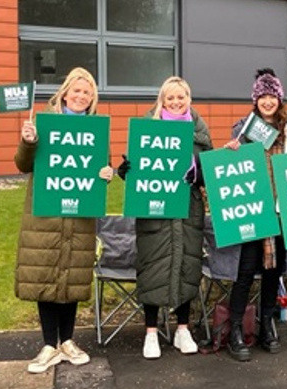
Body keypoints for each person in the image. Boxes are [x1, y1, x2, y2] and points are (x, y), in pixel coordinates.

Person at [14, 67, 115, 374]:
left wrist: (106, 173)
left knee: (71, 277)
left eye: (87, 92)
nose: (81, 96)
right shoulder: (44, 123)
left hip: (79, 219)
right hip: (46, 218)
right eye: (77, 90)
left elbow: (103, 167)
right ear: (65, 93)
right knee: (45, 276)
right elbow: (23, 164)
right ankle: (49, 345)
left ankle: (68, 341)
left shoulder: (95, 130)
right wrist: (28, 141)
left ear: (92, 98)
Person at [116, 76, 213, 359]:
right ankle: (150, 333)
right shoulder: (148, 128)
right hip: (154, 212)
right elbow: (133, 171)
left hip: (188, 210)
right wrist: (126, 169)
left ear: (189, 99)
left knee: (186, 266)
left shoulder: (199, 131)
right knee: (153, 267)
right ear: (162, 100)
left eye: (180, 97)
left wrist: (198, 174)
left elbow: (211, 171)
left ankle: (183, 329)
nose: (175, 102)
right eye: (170, 97)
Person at [222, 68, 287, 362]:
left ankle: (267, 323)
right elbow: (233, 169)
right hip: (254, 209)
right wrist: (231, 152)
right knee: (245, 272)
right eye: (262, 97)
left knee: (273, 271)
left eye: (272, 96)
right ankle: (235, 329)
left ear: (279, 99)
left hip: (282, 211)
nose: (267, 102)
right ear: (255, 100)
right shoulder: (243, 129)